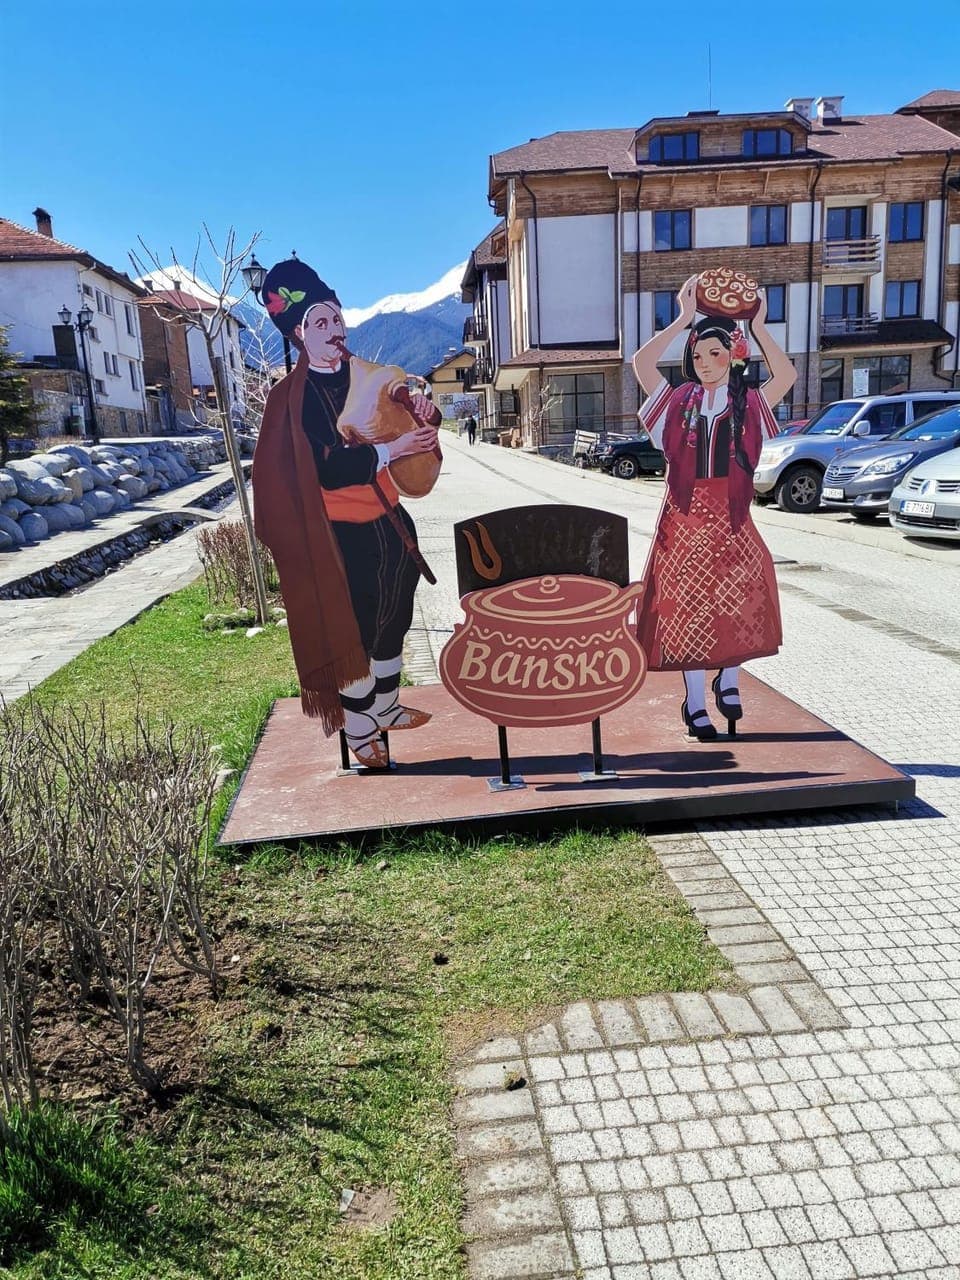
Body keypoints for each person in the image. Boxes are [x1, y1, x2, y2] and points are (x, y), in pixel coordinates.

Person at [253, 258, 440, 768]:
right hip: (337, 532)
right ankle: (360, 730)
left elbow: (404, 419)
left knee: (395, 616)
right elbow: (326, 468)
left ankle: (386, 706)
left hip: (390, 521)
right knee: (353, 629)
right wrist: (392, 450)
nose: (334, 329)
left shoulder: (369, 377)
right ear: (299, 334)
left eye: (336, 318)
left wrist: (424, 414)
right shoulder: (291, 400)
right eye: (320, 322)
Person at [631, 274, 796, 739]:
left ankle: (729, 677)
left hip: (730, 514)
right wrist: (683, 318)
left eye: (715, 354)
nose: (705, 363)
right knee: (689, 609)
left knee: (741, 594)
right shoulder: (677, 401)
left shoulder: (749, 401)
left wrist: (758, 328)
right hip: (684, 518)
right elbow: (641, 363)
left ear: (732, 356)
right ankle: (696, 703)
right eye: (698, 355)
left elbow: (786, 376)